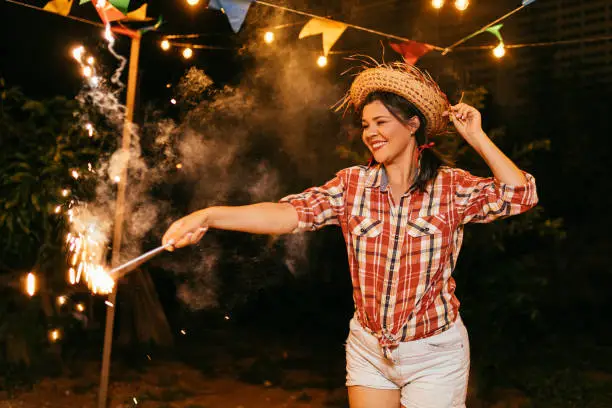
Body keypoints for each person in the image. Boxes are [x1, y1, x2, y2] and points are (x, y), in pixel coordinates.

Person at [162, 61, 538, 408]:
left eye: (381, 122)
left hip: (435, 352)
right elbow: (288, 214)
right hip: (369, 350)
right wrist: (209, 215)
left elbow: (520, 196)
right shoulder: (352, 185)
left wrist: (476, 136)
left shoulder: (449, 188)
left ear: (412, 125)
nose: (370, 133)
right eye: (365, 125)